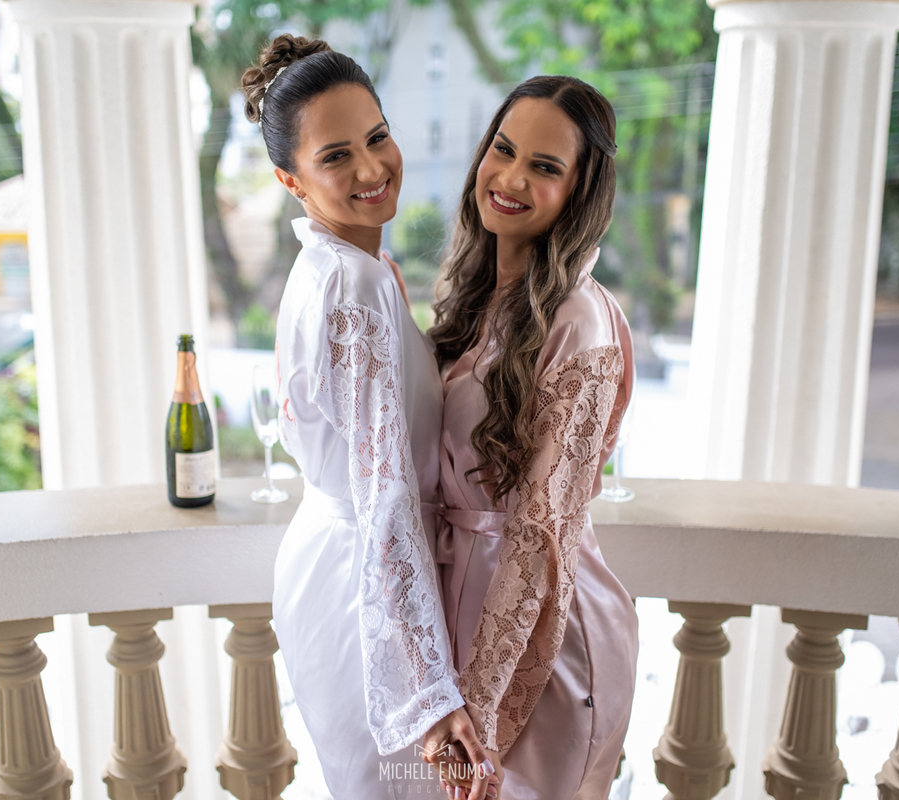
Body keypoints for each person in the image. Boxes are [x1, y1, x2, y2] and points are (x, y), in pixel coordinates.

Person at [242, 35, 494, 800]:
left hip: (341, 569)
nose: (371, 168)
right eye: (336, 156)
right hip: (362, 591)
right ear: (290, 181)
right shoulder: (352, 285)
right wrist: (430, 696)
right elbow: (384, 496)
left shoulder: (350, 266)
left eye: (377, 137)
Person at [428, 75, 639, 799]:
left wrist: (483, 707)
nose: (511, 178)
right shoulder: (479, 292)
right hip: (465, 607)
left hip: (543, 640)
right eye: (504, 149)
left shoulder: (579, 320)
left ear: (580, 190)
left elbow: (541, 533)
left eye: (544, 166)